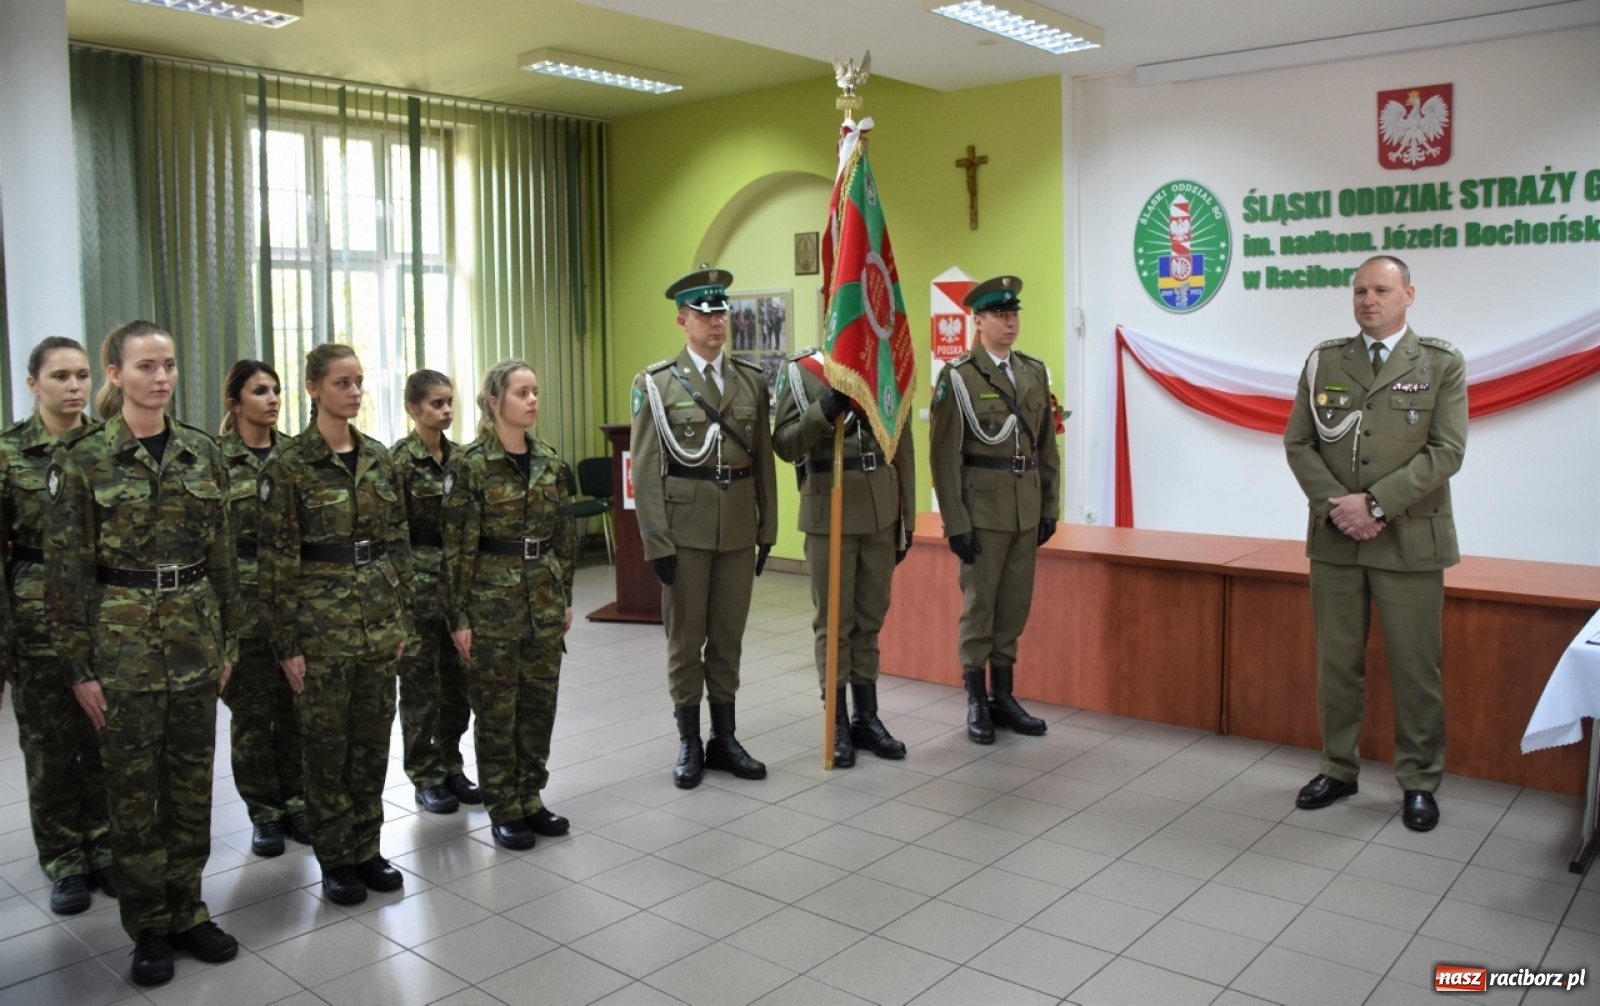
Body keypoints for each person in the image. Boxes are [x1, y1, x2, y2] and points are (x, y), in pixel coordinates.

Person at [45, 321, 238, 986]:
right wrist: (78, 668)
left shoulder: (202, 454)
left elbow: (221, 558)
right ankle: (148, 926)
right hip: (120, 650)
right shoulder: (83, 459)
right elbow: (65, 576)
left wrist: (228, 642)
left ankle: (188, 909)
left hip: (193, 642)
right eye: (146, 366)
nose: (161, 377)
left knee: (189, 790)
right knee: (132, 797)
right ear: (115, 373)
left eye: (170, 365)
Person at [1284, 255, 1467, 833]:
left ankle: (1419, 781)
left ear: (1408, 295)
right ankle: (1338, 768)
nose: (1368, 300)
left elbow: (1447, 451)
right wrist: (1340, 506)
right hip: (1337, 539)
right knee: (1337, 664)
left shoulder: (1439, 362)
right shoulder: (1324, 361)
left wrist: (1376, 503)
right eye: (1360, 290)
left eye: (1382, 290)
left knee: (1417, 668)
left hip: (1411, 541)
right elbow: (1299, 443)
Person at [257, 343, 413, 904]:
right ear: (313, 389)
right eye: (342, 382)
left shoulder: (377, 457)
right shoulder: (289, 466)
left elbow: (397, 544)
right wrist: (287, 642)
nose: (353, 391)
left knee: (372, 744)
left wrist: (399, 618)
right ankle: (335, 857)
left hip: (376, 622)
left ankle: (367, 848)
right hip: (319, 629)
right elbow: (276, 563)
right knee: (326, 748)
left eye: (358, 381)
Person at [629, 267, 778, 789]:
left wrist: (768, 529)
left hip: (738, 526)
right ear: (682, 320)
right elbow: (645, 468)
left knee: (728, 638)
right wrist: (656, 540)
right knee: (685, 639)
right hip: (684, 529)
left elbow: (760, 463)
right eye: (705, 314)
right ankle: (690, 741)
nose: (717, 323)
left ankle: (726, 738)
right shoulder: (656, 383)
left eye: (721, 313)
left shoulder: (751, 382)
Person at [442, 360, 576, 850]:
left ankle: (531, 797)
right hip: (490, 605)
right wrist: (459, 617)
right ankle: (504, 806)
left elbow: (563, 537)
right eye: (522, 392)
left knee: (539, 707)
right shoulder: (471, 464)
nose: (533, 400)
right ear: (495, 402)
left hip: (541, 599)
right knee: (497, 712)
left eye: (536, 391)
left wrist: (564, 597)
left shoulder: (550, 462)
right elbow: (456, 549)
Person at [1, 337, 114, 915]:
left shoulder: (107, 446)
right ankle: (66, 858)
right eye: (59, 376)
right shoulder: (9, 453)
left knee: (104, 736)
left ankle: (104, 844)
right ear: (33, 384)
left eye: (80, 375)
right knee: (49, 743)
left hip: (104, 610)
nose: (73, 386)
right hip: (36, 611)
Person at [929, 276, 1061, 744]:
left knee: (1014, 607)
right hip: (982, 514)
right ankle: (976, 700)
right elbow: (943, 458)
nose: (1009, 321)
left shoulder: (1032, 372)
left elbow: (1046, 448)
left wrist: (1050, 504)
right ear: (978, 320)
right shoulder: (958, 377)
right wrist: (956, 522)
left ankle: (1004, 697)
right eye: (999, 315)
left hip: (1025, 509)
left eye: (1014, 313)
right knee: (980, 607)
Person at [772, 348, 916, 766]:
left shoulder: (885, 366)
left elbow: (901, 443)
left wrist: (905, 517)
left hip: (880, 507)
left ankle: (867, 718)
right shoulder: (800, 373)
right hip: (827, 504)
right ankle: (836, 721)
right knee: (835, 622)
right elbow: (783, 443)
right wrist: (821, 413)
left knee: (869, 620)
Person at [217, 360, 309, 858]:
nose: (272, 399)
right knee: (252, 717)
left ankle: (296, 799)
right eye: (259, 391)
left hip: (295, 601)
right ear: (235, 403)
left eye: (276, 390)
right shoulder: (215, 459)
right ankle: (264, 813)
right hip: (243, 606)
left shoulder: (296, 456)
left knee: (295, 708)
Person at [394, 370, 479, 815]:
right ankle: (424, 774)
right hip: (417, 590)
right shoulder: (398, 463)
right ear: (413, 408)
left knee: (457, 687)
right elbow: (391, 535)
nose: (445, 411)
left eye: (449, 402)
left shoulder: (462, 459)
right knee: (420, 688)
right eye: (436, 404)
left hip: (457, 588)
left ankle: (451, 763)